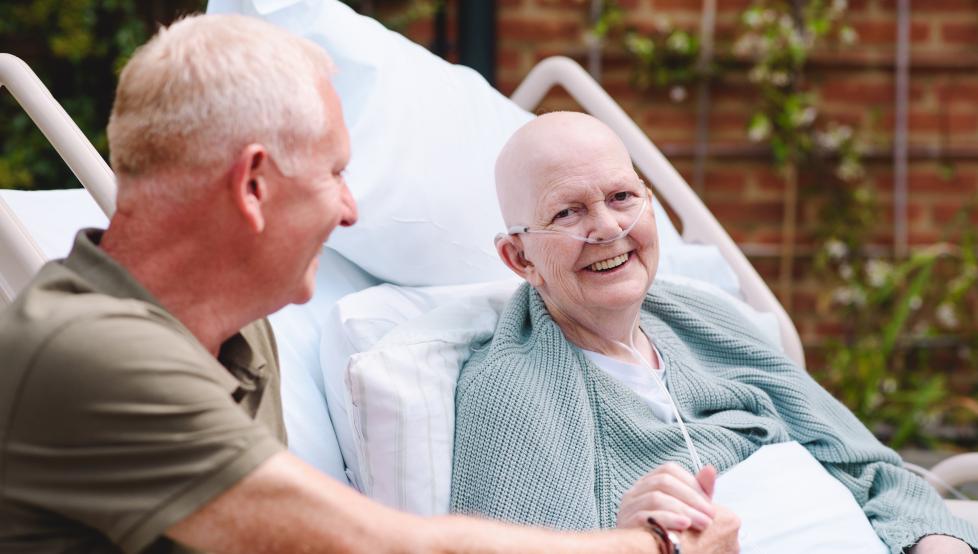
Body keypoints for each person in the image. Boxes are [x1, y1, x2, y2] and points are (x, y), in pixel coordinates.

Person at [0, 14, 738, 554]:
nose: (351, 209)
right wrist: (655, 547)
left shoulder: (237, 331)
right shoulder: (87, 355)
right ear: (254, 185)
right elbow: (378, 546)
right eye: (334, 174)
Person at [450, 111, 978, 554]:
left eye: (621, 197)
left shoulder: (706, 321)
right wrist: (631, 543)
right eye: (568, 212)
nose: (609, 229)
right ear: (520, 257)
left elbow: (882, 478)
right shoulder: (511, 395)